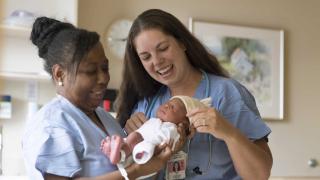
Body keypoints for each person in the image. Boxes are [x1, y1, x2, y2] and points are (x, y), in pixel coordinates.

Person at [115, 9, 273, 180]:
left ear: (182, 43)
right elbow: (132, 173)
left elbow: (259, 175)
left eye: (163, 48)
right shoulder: (145, 106)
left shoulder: (227, 94)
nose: (156, 61)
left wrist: (229, 133)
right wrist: (133, 138)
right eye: (146, 57)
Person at [22, 16, 173, 180]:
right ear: (60, 74)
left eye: (104, 68)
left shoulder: (104, 117)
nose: (103, 79)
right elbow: (131, 172)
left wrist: (155, 155)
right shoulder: (51, 125)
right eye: (90, 71)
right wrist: (135, 171)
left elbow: (127, 162)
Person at [101, 96, 210, 165]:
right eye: (167, 103)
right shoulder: (153, 120)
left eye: (172, 107)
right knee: (130, 139)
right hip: (137, 145)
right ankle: (115, 149)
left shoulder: (173, 129)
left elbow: (174, 144)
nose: (166, 105)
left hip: (148, 149)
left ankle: (119, 152)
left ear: (184, 123)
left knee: (135, 140)